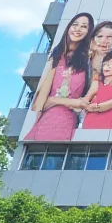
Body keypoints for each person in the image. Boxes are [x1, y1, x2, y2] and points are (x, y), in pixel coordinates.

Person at [24, 12, 94, 141]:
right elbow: (39, 103)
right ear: (68, 27)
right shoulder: (55, 56)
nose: (78, 29)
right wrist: (67, 102)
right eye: (75, 24)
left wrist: (56, 101)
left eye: (84, 26)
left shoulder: (87, 59)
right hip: (44, 122)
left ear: (88, 32)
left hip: (66, 123)